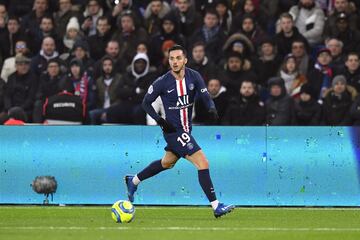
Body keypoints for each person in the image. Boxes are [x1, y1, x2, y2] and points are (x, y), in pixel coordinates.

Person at [124, 45, 235, 218]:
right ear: (168, 61)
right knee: (203, 163)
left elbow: (205, 95)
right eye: (171, 59)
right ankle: (216, 206)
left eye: (178, 58)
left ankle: (134, 180)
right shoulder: (162, 82)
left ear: (185, 60)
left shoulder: (194, 76)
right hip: (173, 131)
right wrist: (160, 121)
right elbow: (146, 103)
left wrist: (212, 108)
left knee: (167, 162)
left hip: (186, 129)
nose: (175, 62)